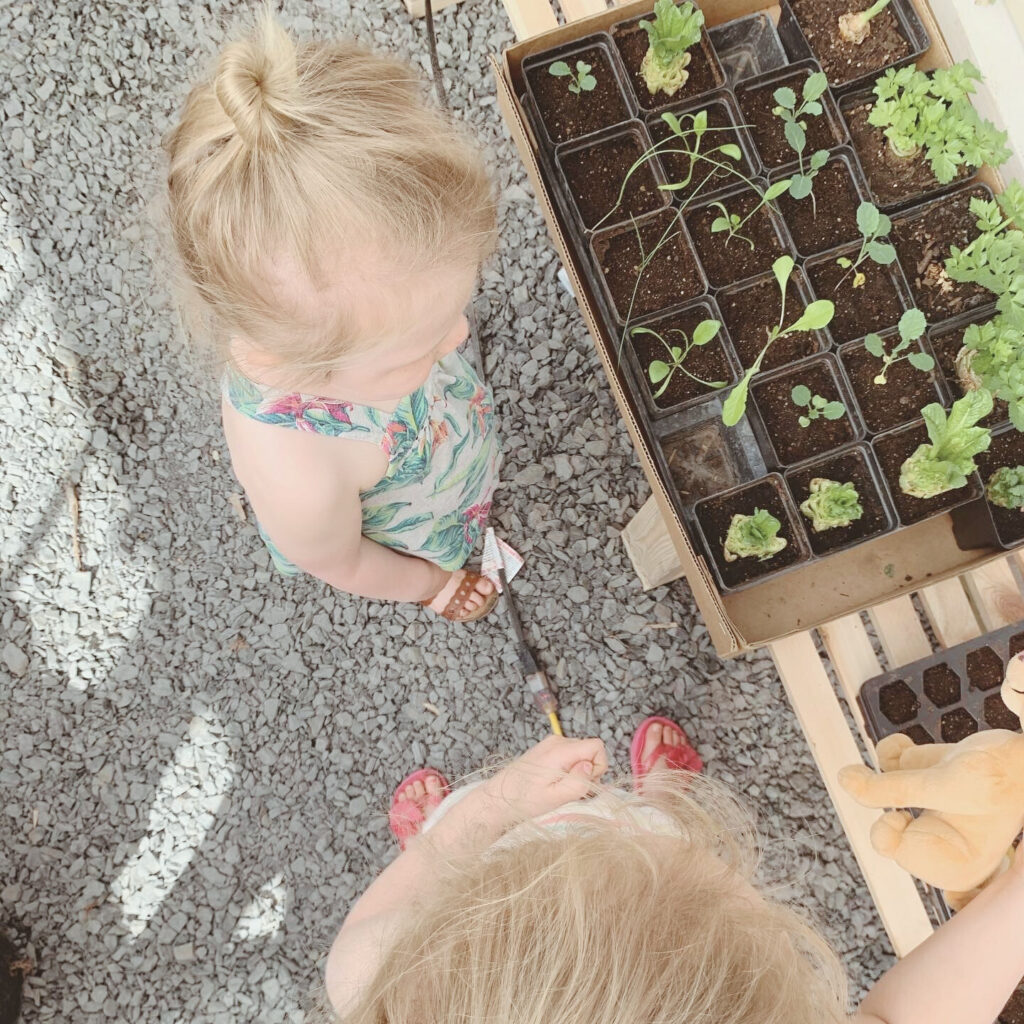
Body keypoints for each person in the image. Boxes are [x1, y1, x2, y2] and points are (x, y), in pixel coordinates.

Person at [322, 717, 1024, 1024]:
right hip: (522, 872)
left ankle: (443, 826)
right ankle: (662, 801)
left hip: (496, 857)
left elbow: (388, 906)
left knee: (450, 836)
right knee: (657, 825)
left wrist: (500, 803)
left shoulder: (376, 976)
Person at [162, 12, 501, 622]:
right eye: (417, 350)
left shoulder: (352, 336)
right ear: (300, 368)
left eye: (451, 313)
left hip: (435, 441)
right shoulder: (300, 479)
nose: (460, 337)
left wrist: (414, 352)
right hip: (413, 521)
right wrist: (428, 583)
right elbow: (344, 563)